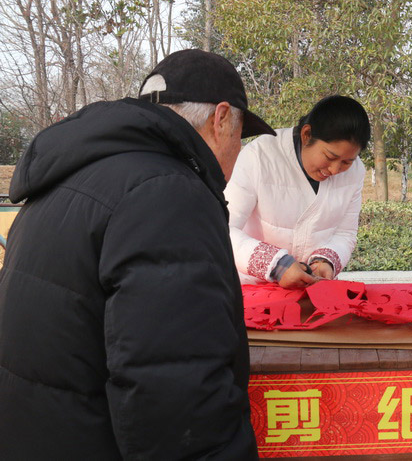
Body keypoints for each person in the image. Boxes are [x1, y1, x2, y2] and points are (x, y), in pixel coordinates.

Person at [0, 49, 274, 460]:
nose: (237, 154)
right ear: (220, 119)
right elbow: (176, 395)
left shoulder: (77, 172)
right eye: (239, 137)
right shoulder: (169, 193)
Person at [225, 95, 370, 288]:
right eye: (329, 156)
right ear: (307, 134)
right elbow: (223, 229)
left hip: (311, 290)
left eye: (346, 162)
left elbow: (345, 232)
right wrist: (277, 266)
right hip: (251, 287)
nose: (335, 170)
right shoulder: (259, 157)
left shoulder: (355, 171)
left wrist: (324, 262)